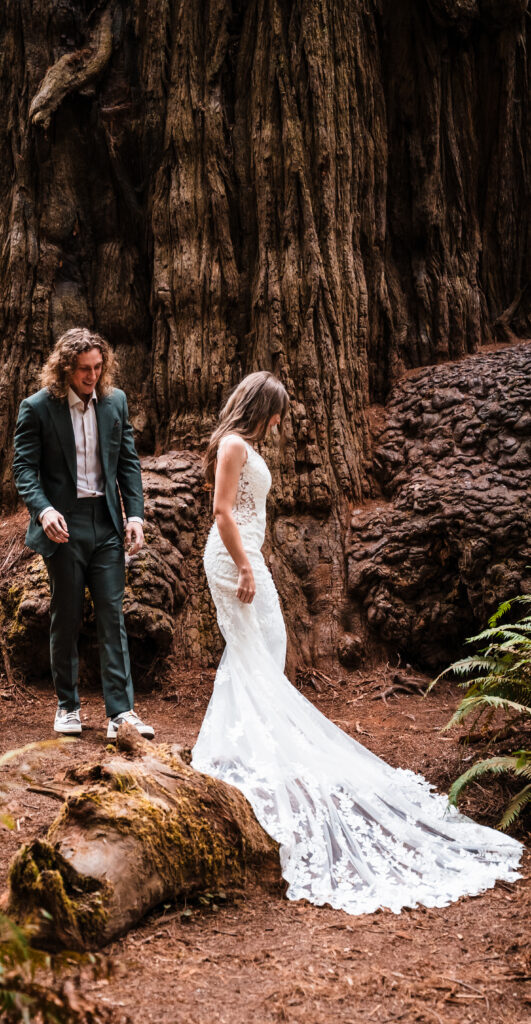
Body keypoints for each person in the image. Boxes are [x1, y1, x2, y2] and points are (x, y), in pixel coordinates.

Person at [192, 370, 523, 914]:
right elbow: (222, 512)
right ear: (262, 407)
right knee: (256, 652)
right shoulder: (232, 445)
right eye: (277, 411)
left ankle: (250, 750)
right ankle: (249, 756)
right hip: (232, 560)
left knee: (263, 650)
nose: (280, 422)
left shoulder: (244, 444)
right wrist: (248, 566)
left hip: (244, 557)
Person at [13, 327, 154, 740]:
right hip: (63, 526)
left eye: (97, 367)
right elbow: (23, 469)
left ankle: (120, 714)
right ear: (64, 369)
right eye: (83, 370)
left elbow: (128, 462)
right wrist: (43, 511)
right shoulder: (37, 408)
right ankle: (68, 705)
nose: (92, 376)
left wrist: (136, 516)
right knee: (67, 616)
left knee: (113, 615)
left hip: (107, 523)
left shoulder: (115, 403)